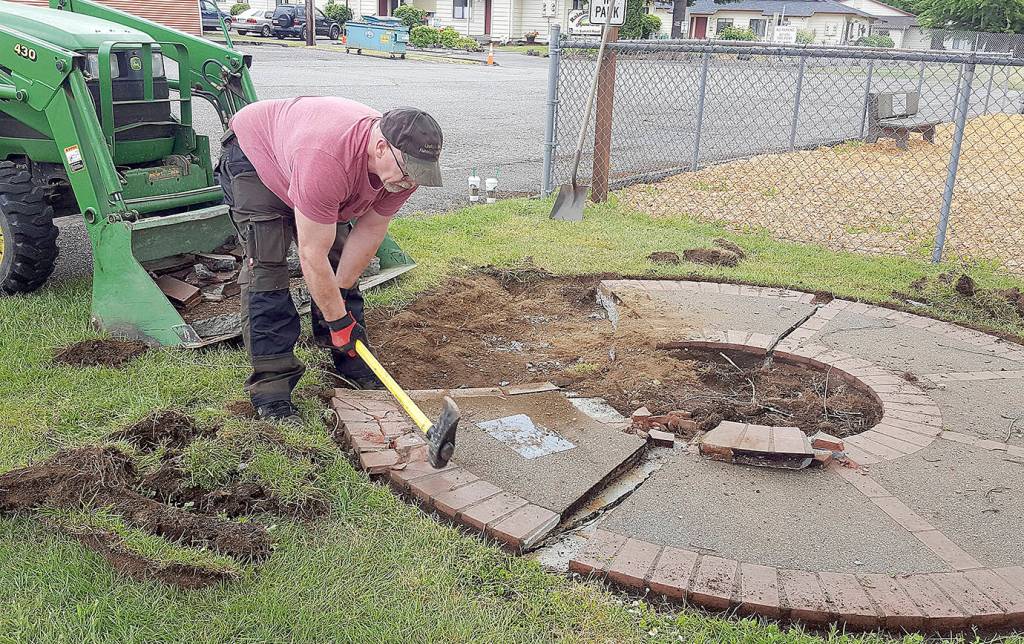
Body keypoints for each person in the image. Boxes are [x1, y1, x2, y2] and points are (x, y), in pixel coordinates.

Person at [215, 97, 443, 423]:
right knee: (267, 267)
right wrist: (338, 319)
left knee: (339, 259)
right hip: (255, 158)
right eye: (408, 173)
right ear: (381, 148)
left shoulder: (406, 169)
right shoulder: (327, 160)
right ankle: (273, 391)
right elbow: (311, 254)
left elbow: (371, 228)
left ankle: (348, 357)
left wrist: (340, 306)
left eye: (420, 175)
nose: (411, 183)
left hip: (310, 166)